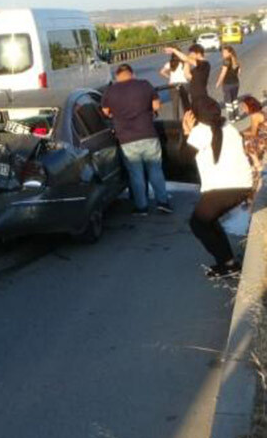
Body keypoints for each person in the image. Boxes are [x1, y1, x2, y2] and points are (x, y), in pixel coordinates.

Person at [183, 96, 254, 277]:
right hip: (240, 184)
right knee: (209, 221)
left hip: (225, 186)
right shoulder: (226, 125)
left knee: (198, 223)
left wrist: (186, 132)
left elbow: (183, 157)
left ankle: (229, 265)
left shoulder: (201, 130)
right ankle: (228, 262)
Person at [102, 63, 172, 215]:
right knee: (155, 170)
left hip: (126, 139)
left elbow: (106, 112)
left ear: (117, 77)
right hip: (148, 134)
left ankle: (142, 207)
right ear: (132, 74)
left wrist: (117, 114)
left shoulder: (110, 90)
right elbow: (156, 106)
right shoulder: (144, 85)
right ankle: (163, 202)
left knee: (136, 174)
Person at [238, 94, 267, 183]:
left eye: (244, 107)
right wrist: (243, 132)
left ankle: (258, 166)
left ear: (250, 106)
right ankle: (256, 163)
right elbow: (252, 128)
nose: (243, 109)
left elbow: (253, 133)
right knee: (249, 139)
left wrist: (241, 134)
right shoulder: (261, 112)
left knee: (248, 143)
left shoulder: (255, 116)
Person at [158, 51, 191, 116]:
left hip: (173, 85)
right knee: (185, 104)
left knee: (175, 106)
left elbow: (161, 72)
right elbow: (187, 75)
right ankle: (187, 120)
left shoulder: (170, 63)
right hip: (183, 84)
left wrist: (169, 76)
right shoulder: (184, 63)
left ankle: (176, 122)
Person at [217, 46, 242, 116]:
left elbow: (223, 73)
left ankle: (231, 117)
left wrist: (218, 83)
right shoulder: (236, 60)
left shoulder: (226, 61)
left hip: (227, 84)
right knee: (234, 99)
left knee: (228, 101)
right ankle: (237, 116)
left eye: (225, 52)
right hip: (236, 83)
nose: (223, 53)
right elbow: (239, 72)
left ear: (229, 53)